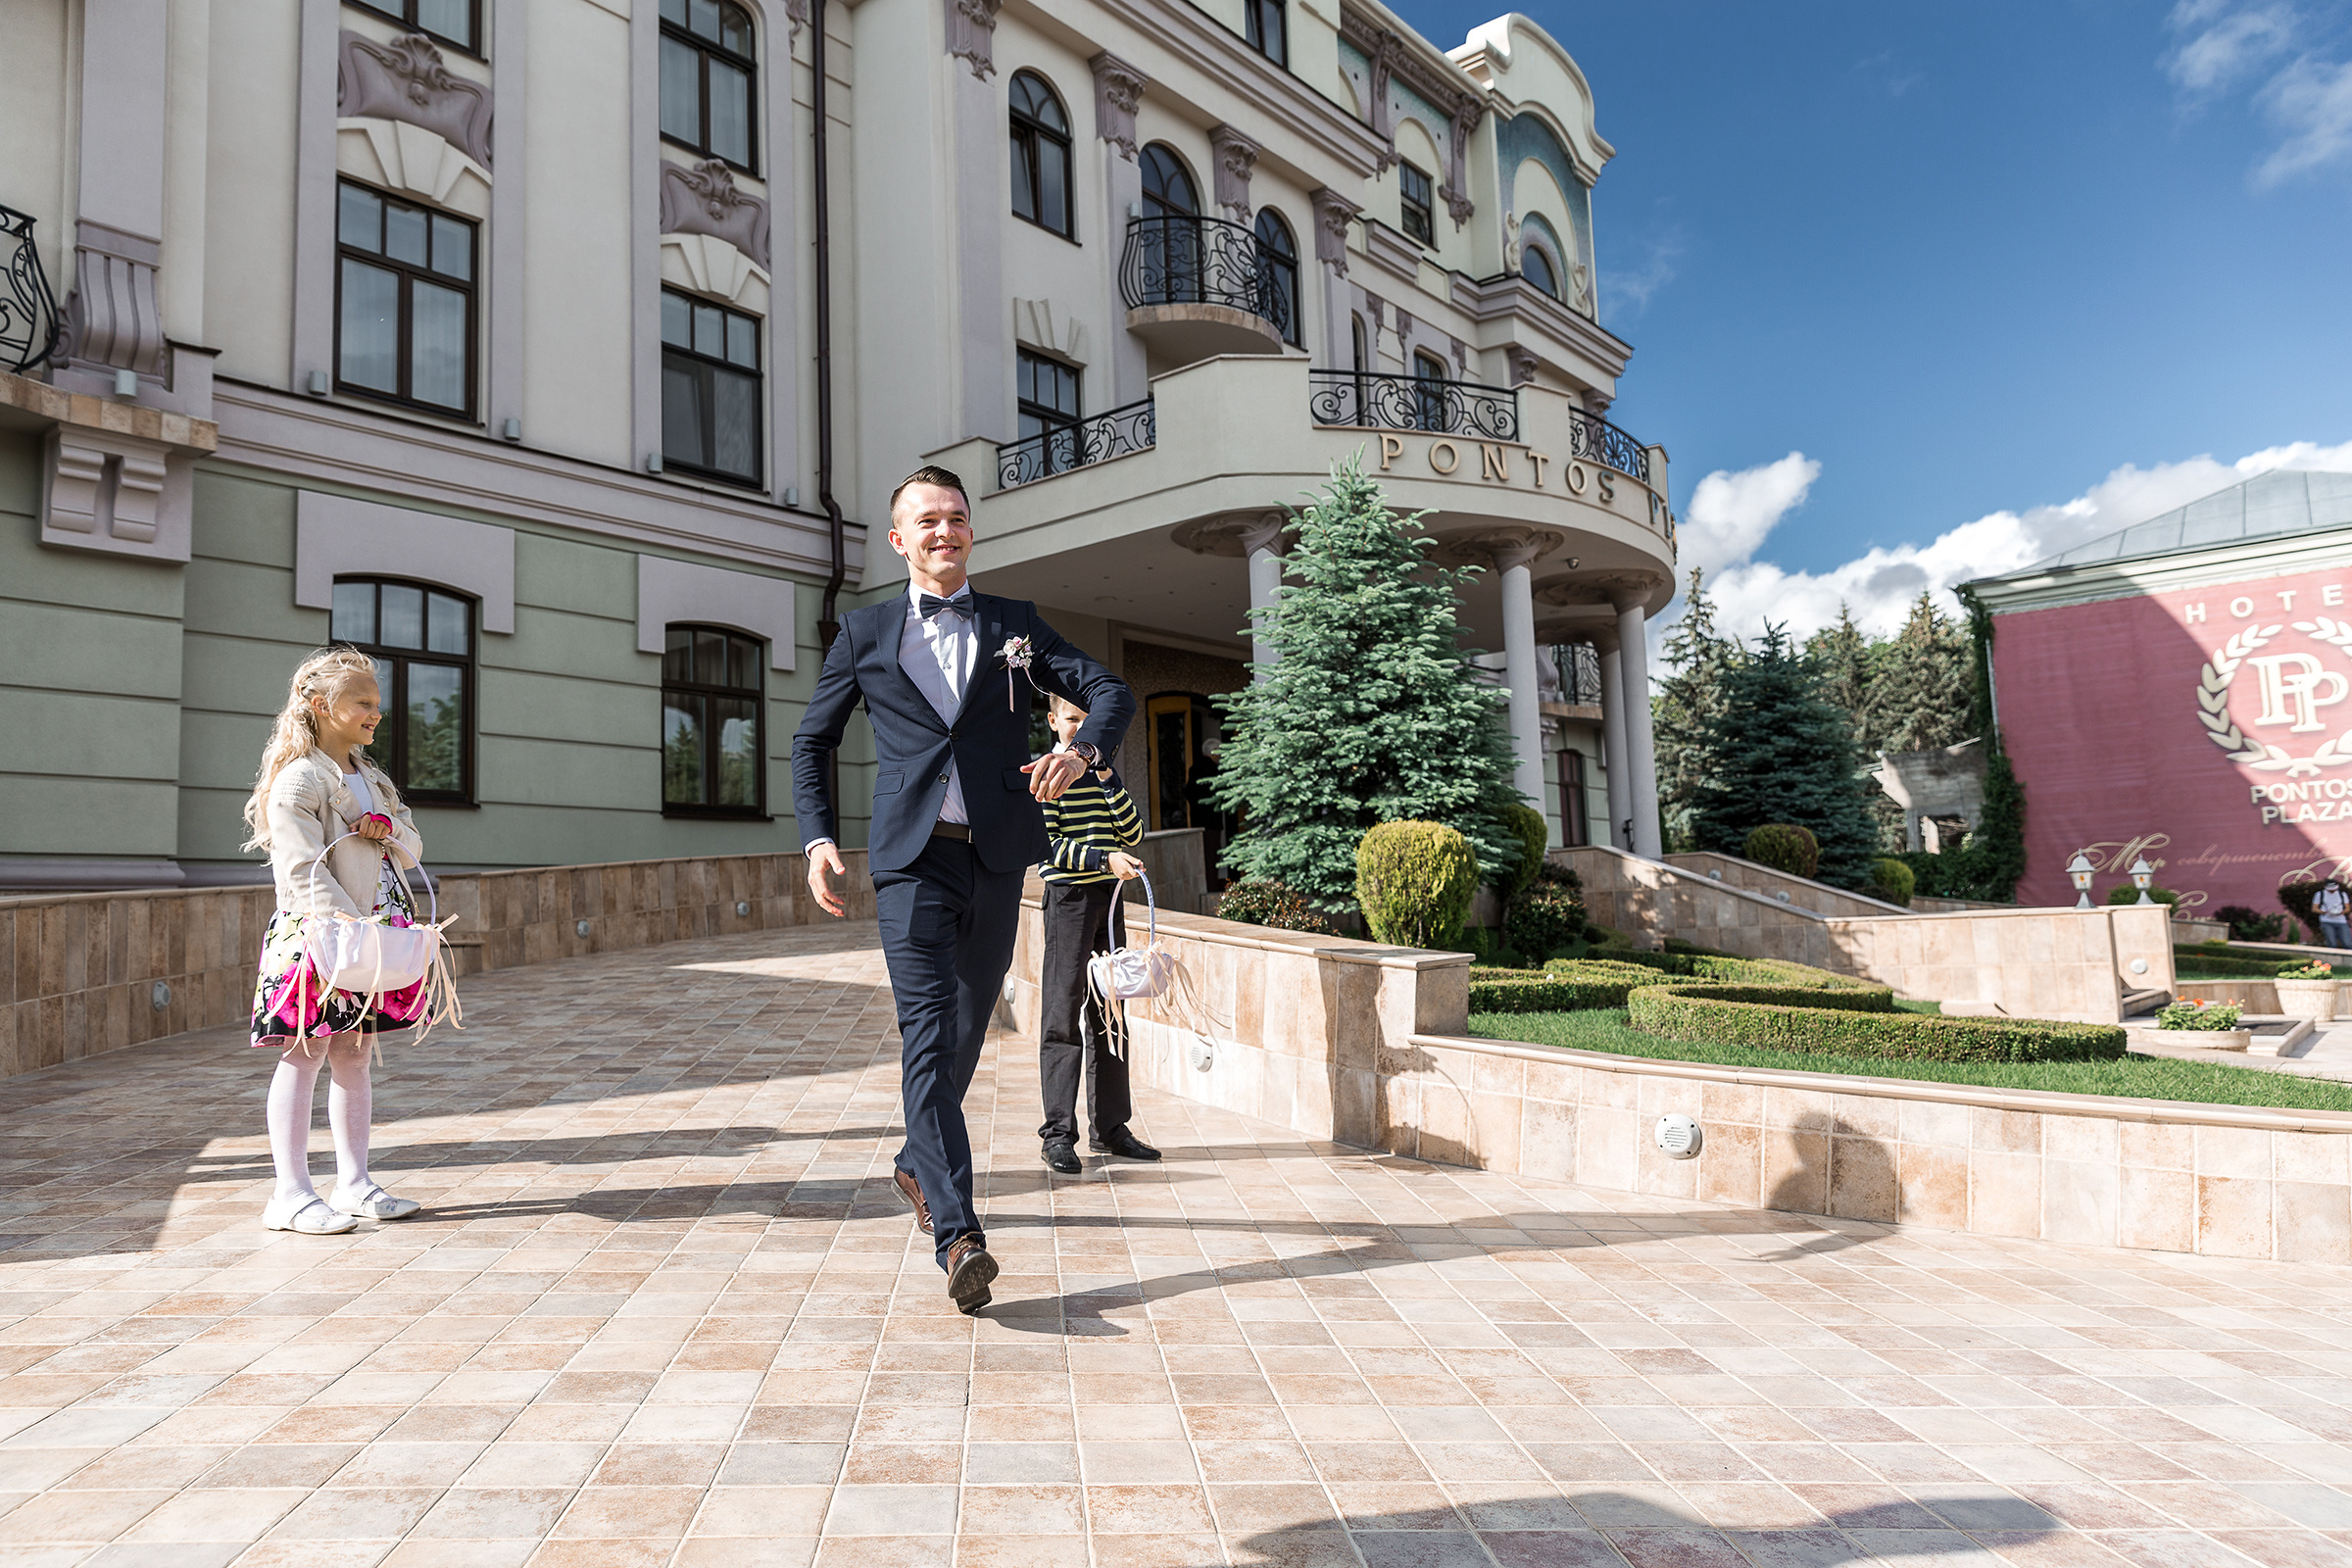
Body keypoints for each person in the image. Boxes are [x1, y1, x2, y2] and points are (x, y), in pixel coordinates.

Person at [792, 465, 1135, 1314]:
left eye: (955, 517)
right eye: (927, 520)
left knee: (965, 1035)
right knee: (925, 1035)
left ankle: (917, 1165)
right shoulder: (864, 632)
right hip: (911, 862)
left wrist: (1079, 752)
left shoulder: (1016, 626)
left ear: (970, 532)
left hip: (996, 858)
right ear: (898, 540)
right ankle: (959, 1236)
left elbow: (1108, 690)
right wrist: (818, 838)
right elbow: (812, 740)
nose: (943, 531)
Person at [242, 646, 430, 1236]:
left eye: (377, 702)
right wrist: (351, 928)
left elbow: (412, 848)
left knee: (354, 1054)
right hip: (321, 937)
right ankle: (290, 1194)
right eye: (363, 702)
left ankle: (354, 1183)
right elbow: (301, 870)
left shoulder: (372, 777)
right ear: (321, 704)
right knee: (304, 1054)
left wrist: (388, 829)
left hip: (367, 936)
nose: (377, 713)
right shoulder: (299, 779)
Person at [1036, 695, 1158, 1175]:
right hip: (1068, 900)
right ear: (1053, 721)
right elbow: (1047, 845)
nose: (1080, 729)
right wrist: (1104, 860)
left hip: (1108, 902)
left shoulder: (1103, 774)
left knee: (1111, 1013)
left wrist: (1108, 778)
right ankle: (1057, 1135)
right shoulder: (1046, 775)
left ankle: (1111, 1129)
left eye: (1088, 722)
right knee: (1062, 1016)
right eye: (1072, 719)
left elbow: (1133, 833)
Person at [2319, 879, 2352, 950]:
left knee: (2347, 943)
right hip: (2327, 921)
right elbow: (2314, 908)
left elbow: (2348, 908)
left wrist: (2342, 912)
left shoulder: (2342, 894)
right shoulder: (2320, 894)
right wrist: (2325, 912)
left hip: (2341, 921)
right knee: (2332, 943)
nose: (2332, 891)